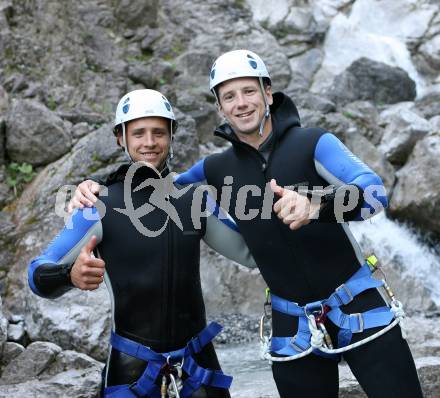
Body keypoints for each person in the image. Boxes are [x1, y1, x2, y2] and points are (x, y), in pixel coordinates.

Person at [71, 51, 423, 397]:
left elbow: (375, 193)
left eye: (249, 91)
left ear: (267, 93)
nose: (241, 103)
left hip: (360, 308)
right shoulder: (214, 170)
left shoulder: (313, 143)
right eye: (229, 96)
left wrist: (317, 205)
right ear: (220, 108)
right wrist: (96, 186)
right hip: (292, 328)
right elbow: (150, 183)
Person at [28, 89, 257, 398]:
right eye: (139, 133)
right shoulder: (97, 205)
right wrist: (69, 274)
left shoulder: (194, 201)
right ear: (121, 138)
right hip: (131, 372)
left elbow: (252, 254)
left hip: (198, 367)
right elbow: (37, 275)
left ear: (172, 135)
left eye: (158, 132)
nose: (149, 142)